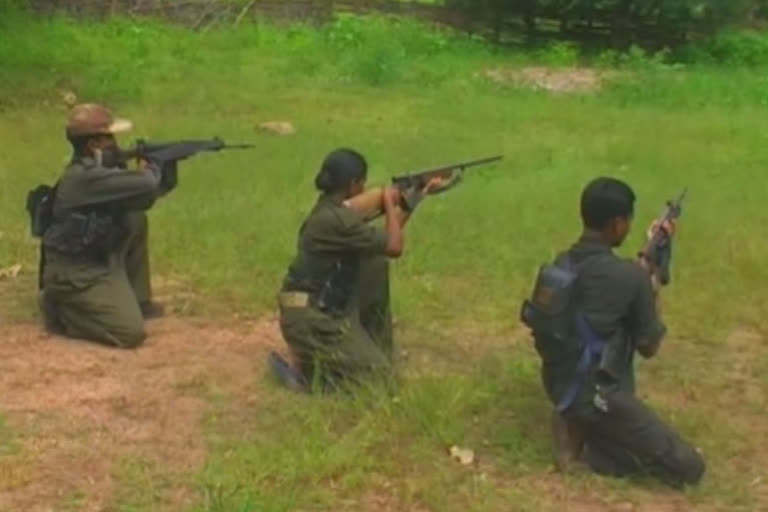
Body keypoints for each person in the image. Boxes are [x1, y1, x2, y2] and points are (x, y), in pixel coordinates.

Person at [521, 177, 705, 487]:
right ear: (618, 224)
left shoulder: (564, 262)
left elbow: (601, 296)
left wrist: (645, 264)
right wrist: (651, 282)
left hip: (558, 382)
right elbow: (649, 344)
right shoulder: (630, 277)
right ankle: (585, 447)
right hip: (598, 397)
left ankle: (577, 422)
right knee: (689, 467)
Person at [269, 148, 437, 392]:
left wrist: (413, 199)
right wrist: (390, 203)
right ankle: (306, 375)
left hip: (319, 310)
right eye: (363, 183)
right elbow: (394, 246)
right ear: (353, 184)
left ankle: (369, 348)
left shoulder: (332, 211)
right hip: (311, 320)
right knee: (380, 382)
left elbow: (383, 240)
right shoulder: (336, 220)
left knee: (373, 261)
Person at [38, 103, 174, 348]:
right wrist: (152, 166)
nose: (116, 144)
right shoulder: (85, 178)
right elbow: (146, 184)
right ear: (93, 146)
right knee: (129, 333)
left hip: (99, 256)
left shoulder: (99, 172)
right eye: (109, 138)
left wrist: (165, 169)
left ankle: (139, 299)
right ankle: (62, 312)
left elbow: (146, 196)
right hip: (76, 272)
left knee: (134, 218)